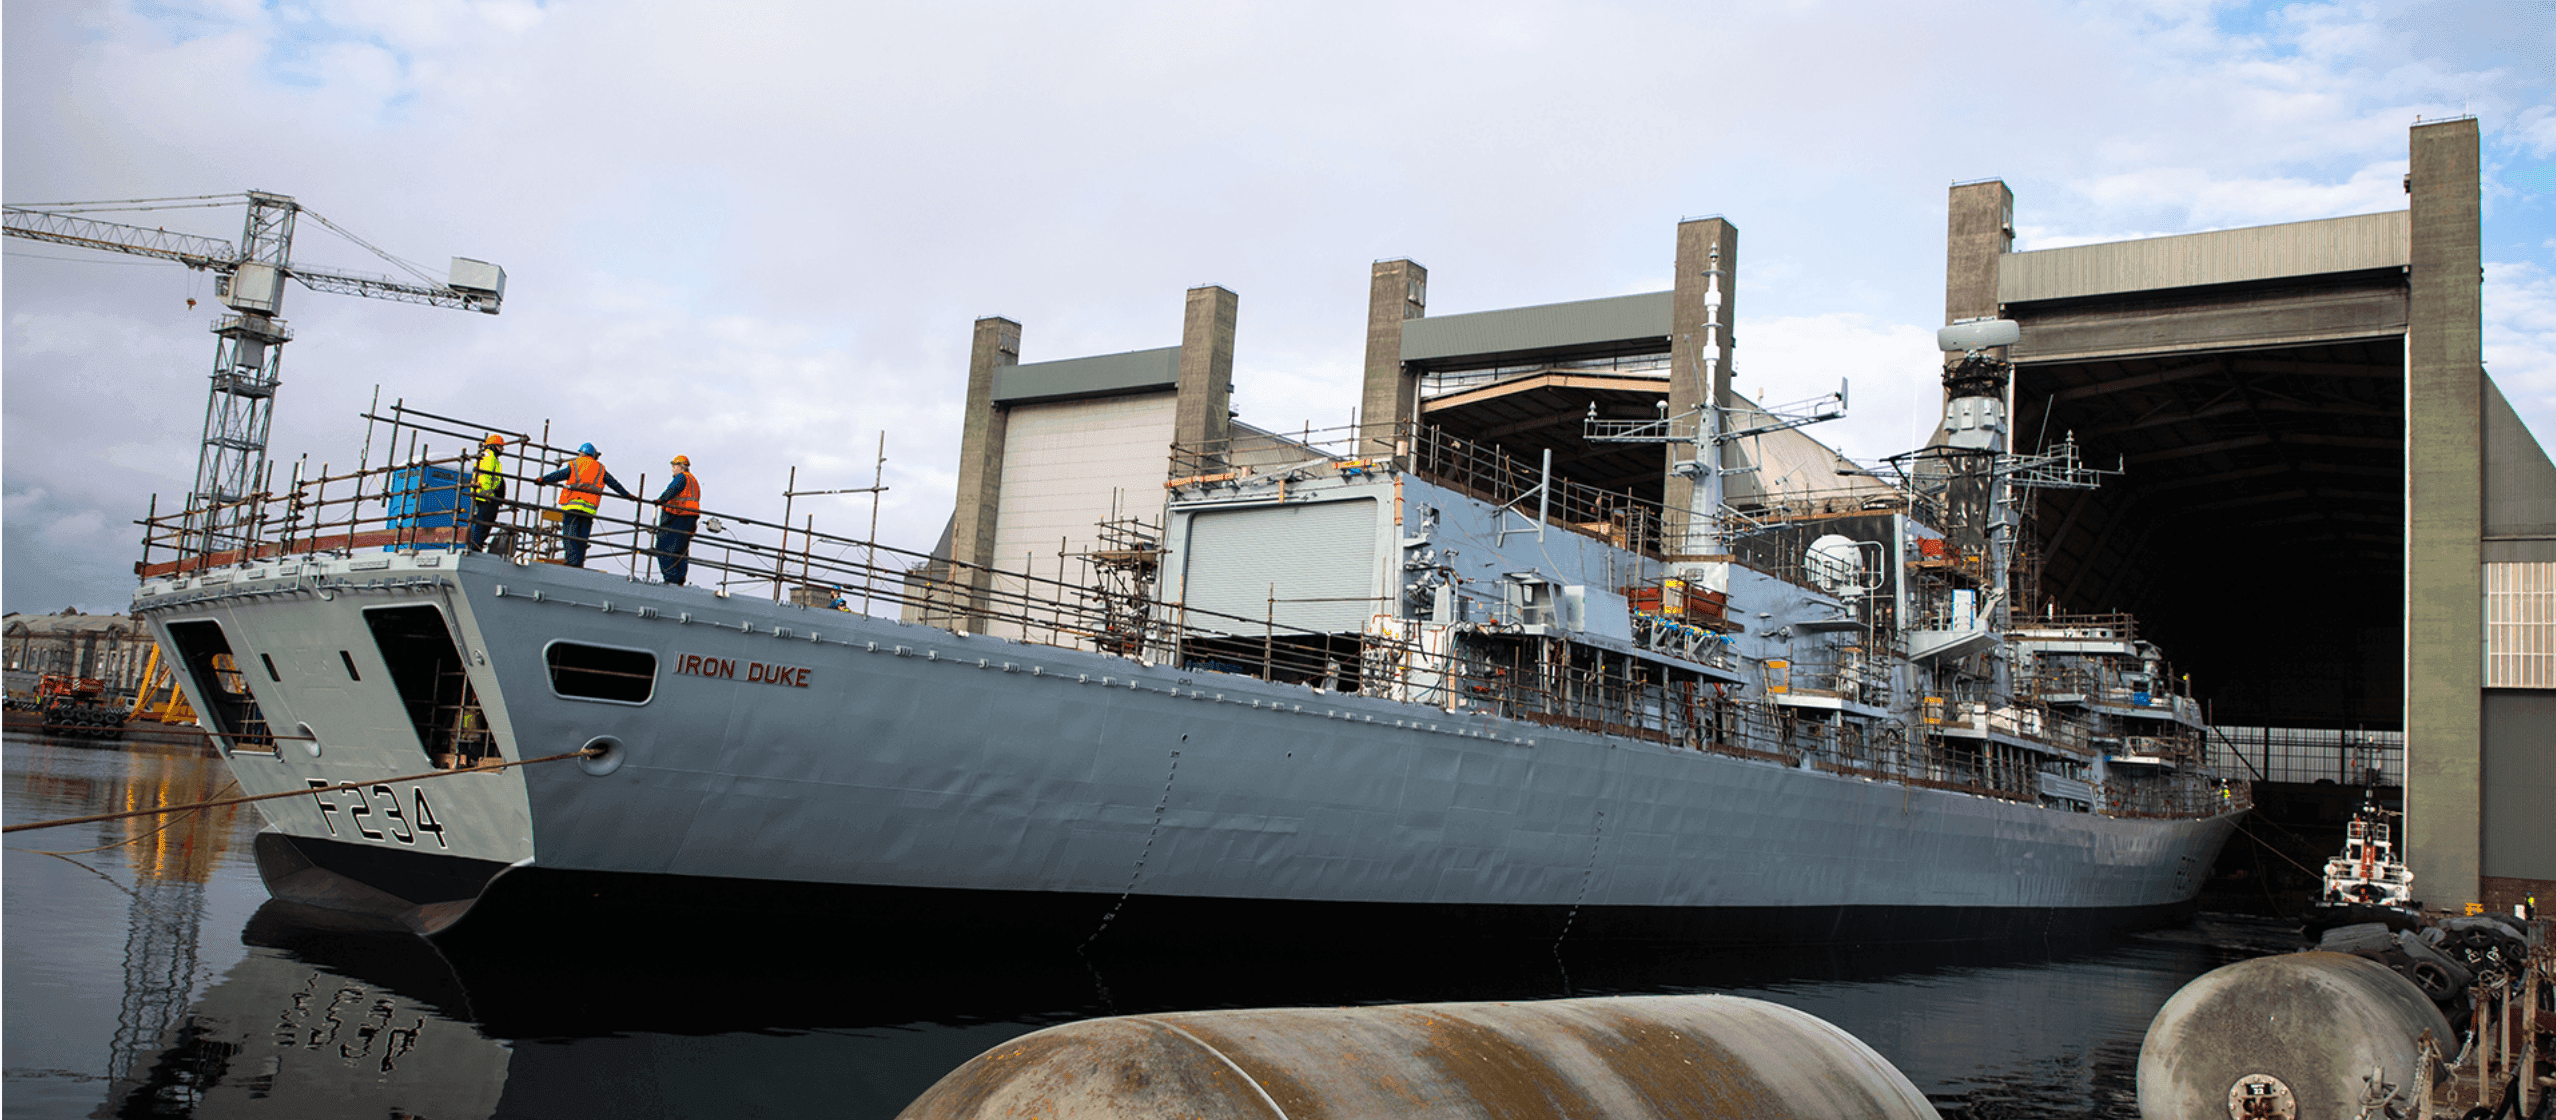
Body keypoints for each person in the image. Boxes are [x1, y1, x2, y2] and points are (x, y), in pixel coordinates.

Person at [536, 443, 635, 568]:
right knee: (583, 537)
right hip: (589, 508)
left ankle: (572, 561)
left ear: (581, 453)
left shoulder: (576, 464)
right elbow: (614, 484)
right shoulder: (600, 468)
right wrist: (627, 495)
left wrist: (543, 479)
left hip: (572, 505)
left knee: (570, 534)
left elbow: (559, 475)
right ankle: (579, 562)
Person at [655, 454, 701, 585]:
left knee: (664, 546)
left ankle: (671, 578)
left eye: (674, 466)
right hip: (690, 520)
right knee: (681, 550)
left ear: (680, 466)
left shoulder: (682, 477)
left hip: (679, 517)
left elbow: (672, 490)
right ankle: (680, 579)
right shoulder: (694, 481)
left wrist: (660, 500)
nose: (672, 469)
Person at [467, 434, 507, 552]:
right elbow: (485, 477)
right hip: (486, 497)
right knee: (483, 523)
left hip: (485, 496)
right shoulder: (489, 458)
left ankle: (476, 545)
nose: (502, 450)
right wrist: (487, 495)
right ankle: (475, 546)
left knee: (483, 523)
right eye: (501, 447)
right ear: (494, 446)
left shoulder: (489, 457)